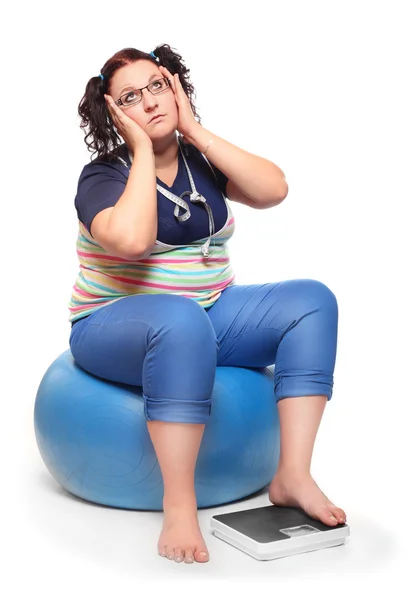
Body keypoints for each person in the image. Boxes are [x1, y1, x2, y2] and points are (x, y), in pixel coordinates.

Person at [68, 44, 347, 565]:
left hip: (207, 313)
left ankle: (293, 476)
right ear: (114, 113)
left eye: (157, 86)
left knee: (312, 301)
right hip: (110, 327)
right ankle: (179, 504)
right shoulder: (102, 177)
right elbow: (130, 241)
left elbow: (273, 189)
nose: (149, 101)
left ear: (175, 88)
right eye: (131, 97)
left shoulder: (201, 163)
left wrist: (193, 131)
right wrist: (145, 152)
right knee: (178, 318)